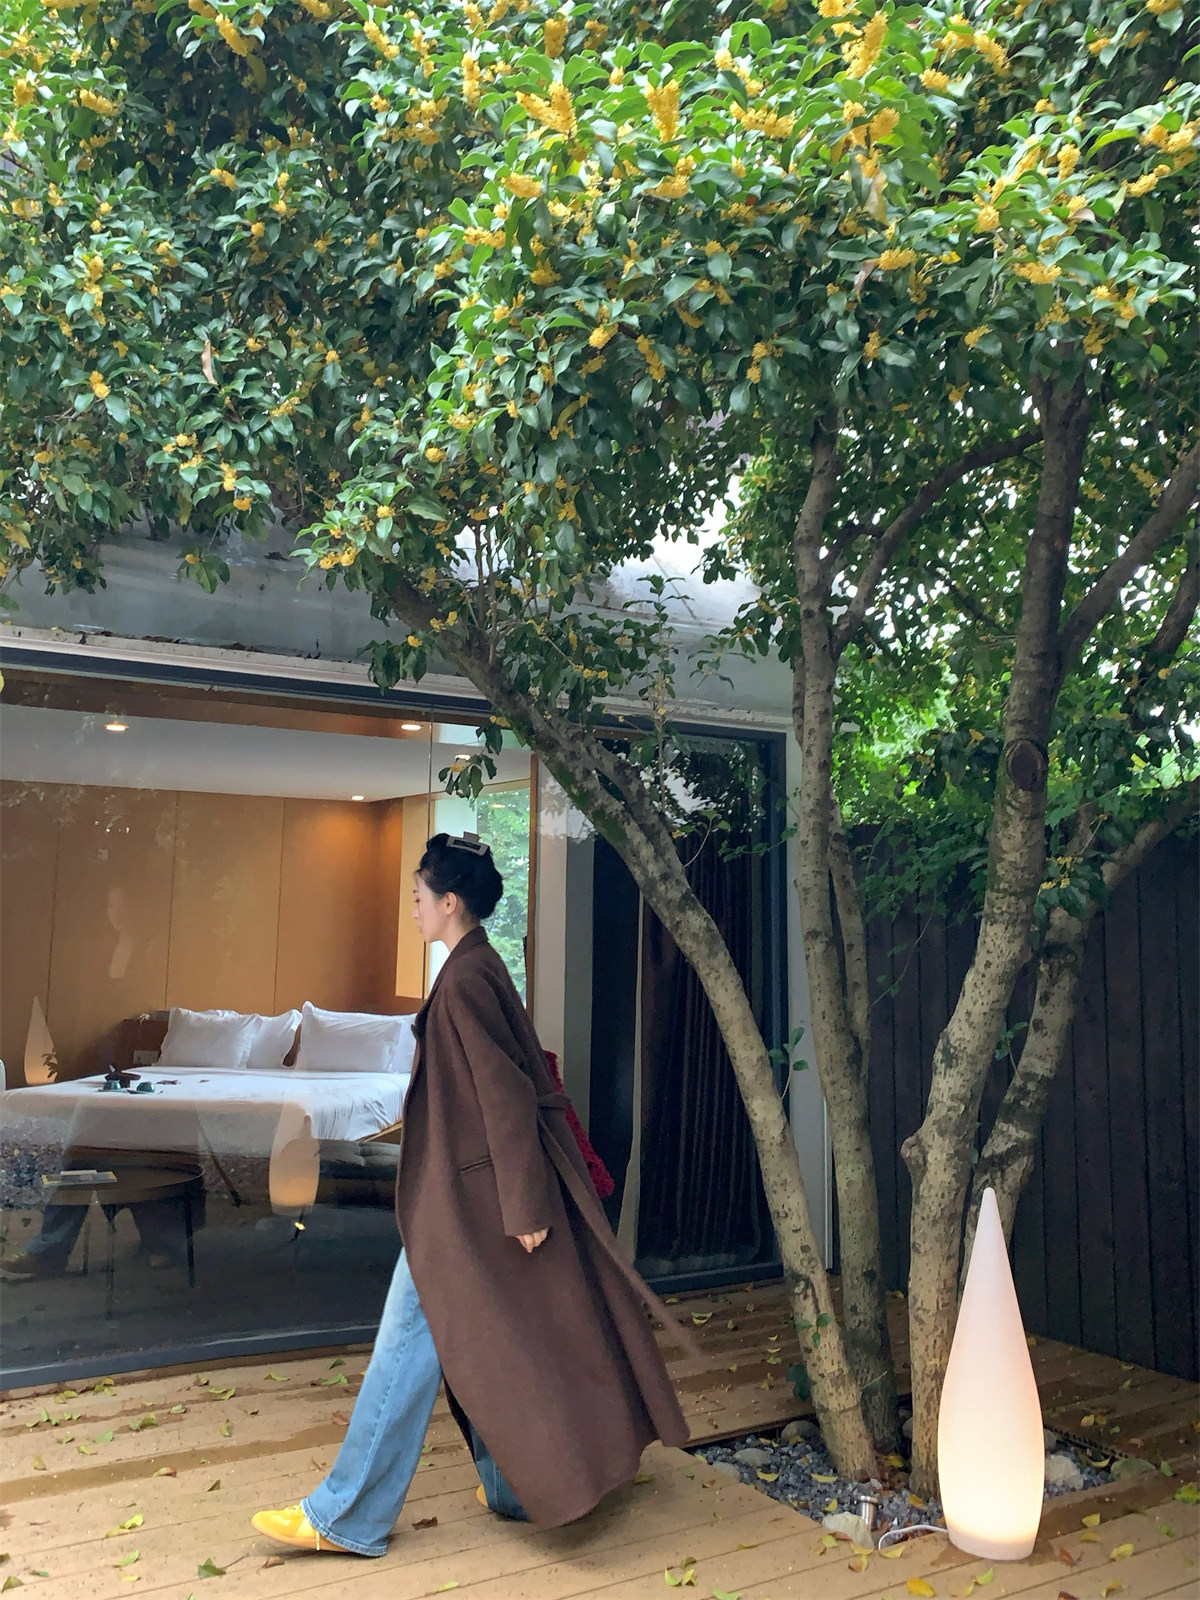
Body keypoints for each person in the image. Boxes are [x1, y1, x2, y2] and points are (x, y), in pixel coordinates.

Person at [251, 831, 692, 1557]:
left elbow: (506, 1094)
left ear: (449, 901)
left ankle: (346, 1516)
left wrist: (523, 1205)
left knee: (410, 1345)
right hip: (464, 1197)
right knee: (484, 1340)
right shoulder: (477, 966)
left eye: (419, 897)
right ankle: (514, 1487)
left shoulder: (465, 980)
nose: (414, 909)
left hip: (466, 1206)